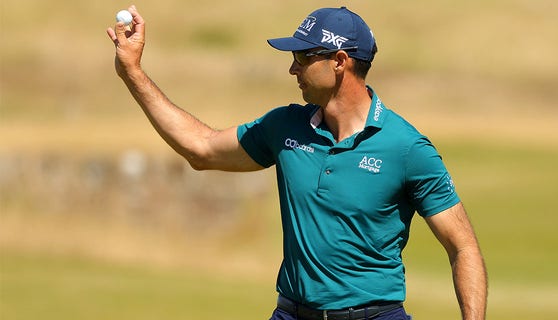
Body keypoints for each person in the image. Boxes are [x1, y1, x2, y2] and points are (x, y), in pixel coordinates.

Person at [107, 5, 487, 320]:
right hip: (291, 313)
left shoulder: (406, 147)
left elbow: (463, 247)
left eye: (303, 57)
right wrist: (132, 73)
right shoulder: (284, 126)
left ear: (340, 62)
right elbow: (201, 149)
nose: (293, 68)